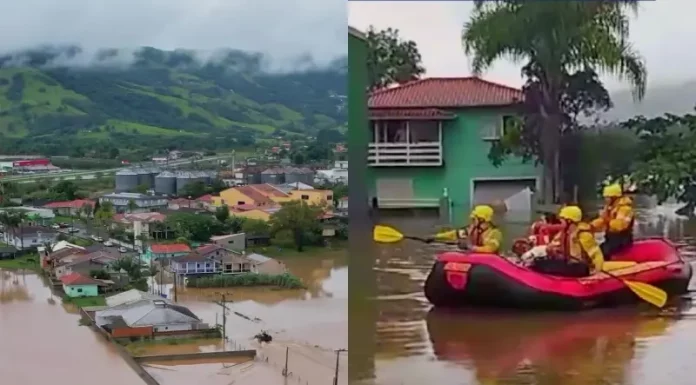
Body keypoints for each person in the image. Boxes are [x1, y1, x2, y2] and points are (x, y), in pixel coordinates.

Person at [529, 206, 604, 278]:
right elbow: (554, 244)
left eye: (562, 220)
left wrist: (597, 271)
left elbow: (596, 254)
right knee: (539, 262)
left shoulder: (583, 234)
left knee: (549, 267)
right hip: (567, 262)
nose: (561, 223)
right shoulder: (564, 232)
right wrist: (548, 250)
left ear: (569, 221)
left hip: (579, 266)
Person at [590, 183, 635, 260]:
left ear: (614, 198)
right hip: (610, 239)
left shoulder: (625, 209)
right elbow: (601, 221)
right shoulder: (609, 208)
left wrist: (608, 220)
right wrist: (590, 226)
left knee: (603, 252)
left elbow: (620, 226)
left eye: (607, 197)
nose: (605, 199)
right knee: (595, 250)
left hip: (622, 240)